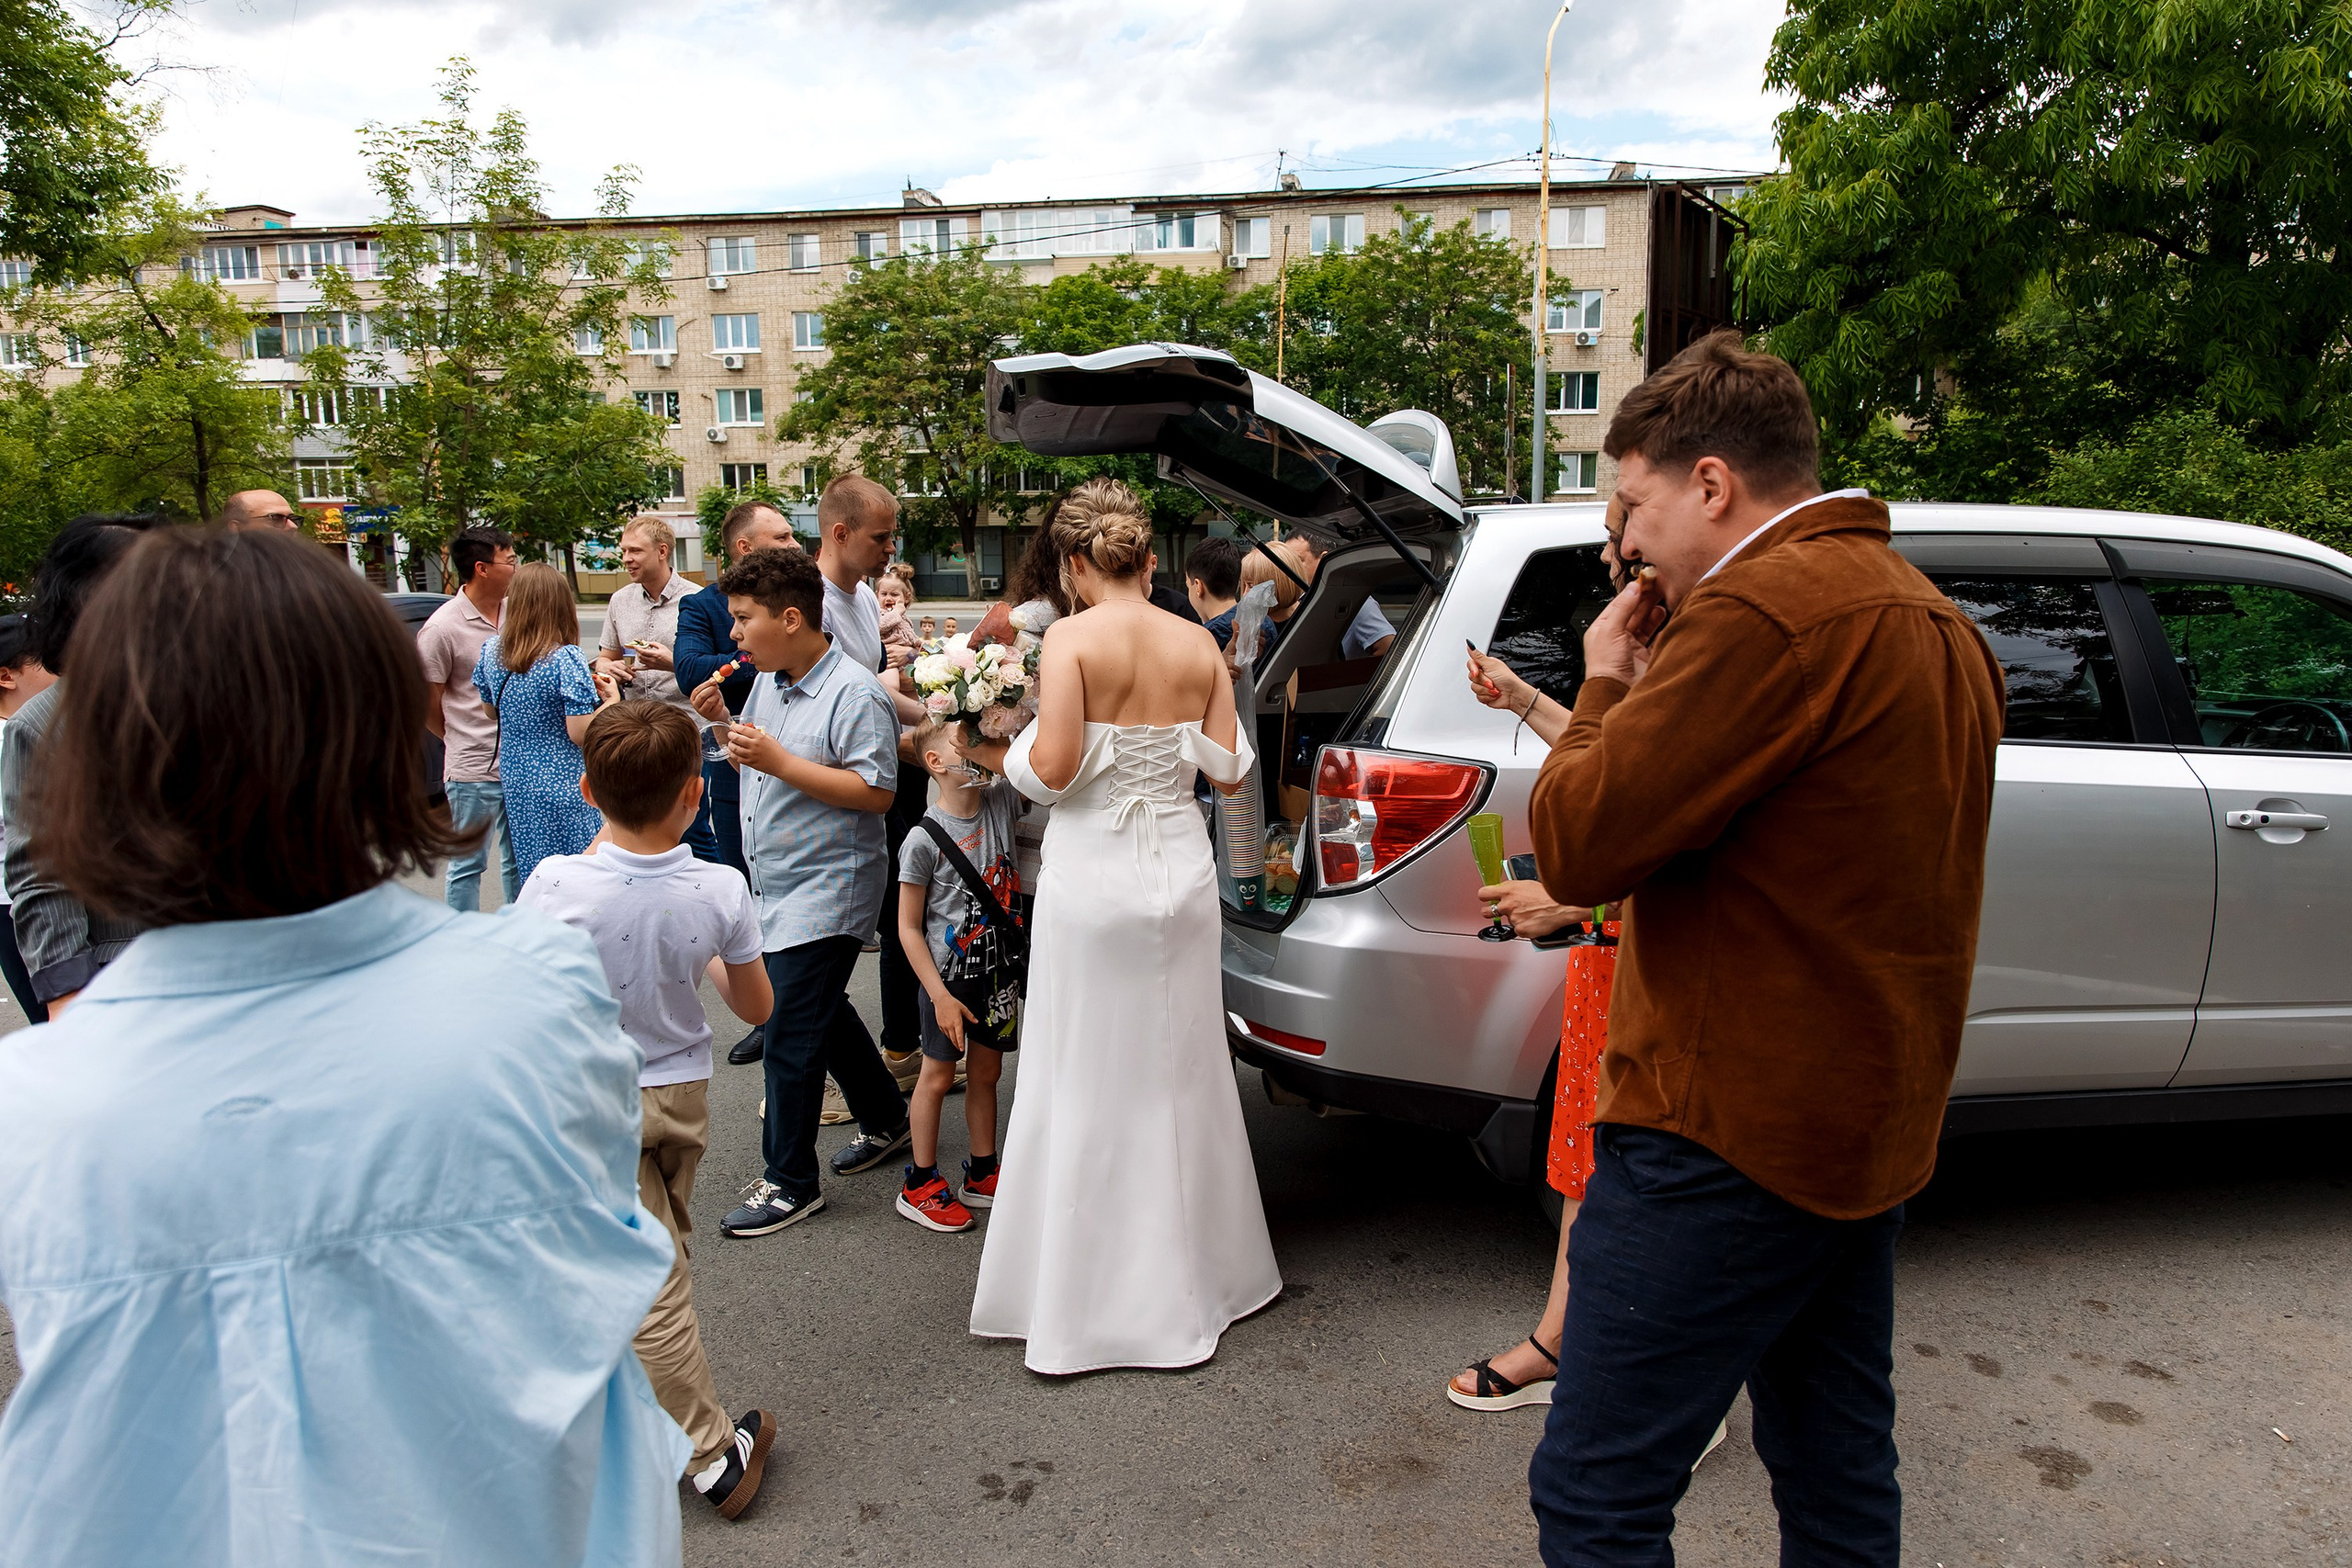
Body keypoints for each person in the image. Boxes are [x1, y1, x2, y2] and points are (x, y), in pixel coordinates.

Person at [0, 526, 689, 1564]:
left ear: (100, 767)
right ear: (373, 734)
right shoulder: (536, 994)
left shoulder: (34, 1104)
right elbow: (598, 1252)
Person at [1522, 331, 2004, 1564]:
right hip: (1864, 1126)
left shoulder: (1759, 614)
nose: (1627, 543)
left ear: (1713, 484)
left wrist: (1604, 682)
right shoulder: (1934, 618)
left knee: (1595, 1491)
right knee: (1836, 1467)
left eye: (1633, 505)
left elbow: (1577, 844)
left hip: (1720, 1131)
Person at [958, 478, 1278, 1374]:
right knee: (1181, 1069)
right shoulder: (1197, 641)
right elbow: (1229, 770)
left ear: (1073, 562)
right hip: (1180, 873)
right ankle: (1204, 1276)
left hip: (1096, 876)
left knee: (1086, 1071)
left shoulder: (1071, 638)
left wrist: (993, 748)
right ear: (1145, 557)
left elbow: (1055, 767)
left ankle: (1087, 1296)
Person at [517, 700, 778, 1519]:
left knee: (645, 1271)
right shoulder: (719, 888)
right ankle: (711, 1452)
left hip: (591, 1093)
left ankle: (673, 1433)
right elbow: (756, 1005)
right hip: (681, 1095)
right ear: (696, 794)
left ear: (587, 790)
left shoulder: (553, 884)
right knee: (660, 1261)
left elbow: (525, 995)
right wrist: (701, 952)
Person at [695, 547, 910, 1238]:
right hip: (779, 882)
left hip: (830, 885)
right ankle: (887, 1116)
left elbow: (876, 792)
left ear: (791, 619)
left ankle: (790, 1182)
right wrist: (723, 728)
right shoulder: (769, 679)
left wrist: (779, 761)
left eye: (743, 618)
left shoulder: (854, 692)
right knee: (819, 1007)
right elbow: (757, 761)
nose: (734, 633)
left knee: (788, 1028)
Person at [1, 515, 156, 1019]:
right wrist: (66, 998)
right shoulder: (46, 724)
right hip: (131, 979)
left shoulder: (224, 692)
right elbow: (43, 873)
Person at [814, 477, 930, 1080]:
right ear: (841, 533)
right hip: (835, 797)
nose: (891, 549)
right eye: (881, 537)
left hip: (875, 786)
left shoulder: (861, 596)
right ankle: (839, 1081)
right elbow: (834, 713)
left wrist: (936, 719)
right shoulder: (812, 606)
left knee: (898, 918)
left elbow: (876, 694)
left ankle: (895, 1057)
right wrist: (921, 740)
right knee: (823, 957)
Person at [675, 501, 799, 1063]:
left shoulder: (803, 597)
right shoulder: (701, 604)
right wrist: (756, 652)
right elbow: (689, 669)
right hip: (730, 767)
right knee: (745, 887)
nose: (795, 545)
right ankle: (766, 1013)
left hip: (796, 766)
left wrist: (739, 658)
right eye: (783, 536)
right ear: (745, 547)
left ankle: (792, 1007)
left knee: (790, 901)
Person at [891, 718, 1023, 1234]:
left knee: (988, 1073)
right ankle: (920, 1183)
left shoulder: (1000, 801)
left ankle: (983, 1171)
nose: (976, 747)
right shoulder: (922, 840)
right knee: (938, 1075)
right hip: (948, 980)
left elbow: (1019, 753)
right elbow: (907, 928)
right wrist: (939, 996)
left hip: (998, 972)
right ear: (935, 763)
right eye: (963, 741)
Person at [472, 562, 619, 882]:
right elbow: (580, 732)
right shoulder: (564, 658)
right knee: (578, 872)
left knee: (536, 870)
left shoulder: (492, 651)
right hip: (564, 780)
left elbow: (490, 711)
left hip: (517, 779)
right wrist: (612, 702)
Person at [418, 525, 522, 911]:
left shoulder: (517, 614)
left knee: (518, 860)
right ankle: (463, 935)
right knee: (467, 864)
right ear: (482, 568)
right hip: (471, 768)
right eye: (510, 560)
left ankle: (516, 930)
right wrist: (459, 737)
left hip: (519, 761)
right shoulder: (441, 628)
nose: (516, 568)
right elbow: (428, 702)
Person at [594, 516, 710, 860]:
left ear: (662, 551)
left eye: (635, 551)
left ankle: (715, 889)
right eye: (624, 551)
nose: (626, 559)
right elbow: (605, 659)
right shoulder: (620, 601)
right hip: (634, 735)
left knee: (692, 832)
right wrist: (609, 669)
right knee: (638, 834)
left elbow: (716, 671)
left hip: (687, 734)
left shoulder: (697, 599)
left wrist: (673, 662)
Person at [0, 614, 55, 1021]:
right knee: (52, 1015)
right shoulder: (14, 737)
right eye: (43, 660)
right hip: (16, 903)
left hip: (48, 892)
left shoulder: (46, 726)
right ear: (7, 676)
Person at [1184, 536, 1244, 649]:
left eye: (1188, 586)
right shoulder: (1264, 623)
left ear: (1198, 587)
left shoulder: (1201, 643)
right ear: (1238, 585)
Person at [213, 489, 301, 531]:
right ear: (236, 528)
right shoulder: (213, 561)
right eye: (276, 518)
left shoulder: (303, 560)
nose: (293, 526)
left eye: (292, 518)